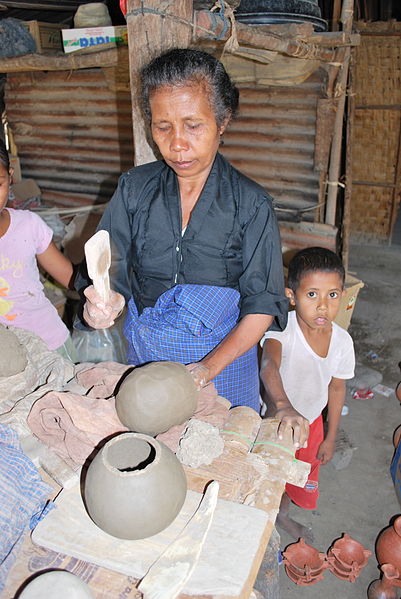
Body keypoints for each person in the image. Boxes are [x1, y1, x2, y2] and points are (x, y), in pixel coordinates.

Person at [76, 48, 288, 411]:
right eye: (163, 126)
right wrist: (101, 304)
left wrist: (205, 369)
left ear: (222, 121)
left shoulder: (251, 205)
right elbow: (108, 269)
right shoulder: (134, 189)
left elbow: (262, 305)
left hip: (222, 367)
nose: (177, 144)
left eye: (193, 125)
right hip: (145, 360)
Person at [260, 246, 355, 540]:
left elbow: (337, 388)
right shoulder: (281, 328)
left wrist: (329, 436)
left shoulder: (341, 341)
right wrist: (283, 406)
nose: (323, 306)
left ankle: (283, 515)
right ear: (292, 296)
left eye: (333, 295)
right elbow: (268, 365)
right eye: (312, 295)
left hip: (312, 423)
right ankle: (261, 521)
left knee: (299, 475)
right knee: (268, 474)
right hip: (275, 422)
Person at [0, 139, 75, 358]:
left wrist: (104, 292)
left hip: (49, 343)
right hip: (7, 358)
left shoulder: (28, 225)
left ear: (10, 176)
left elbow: (71, 278)